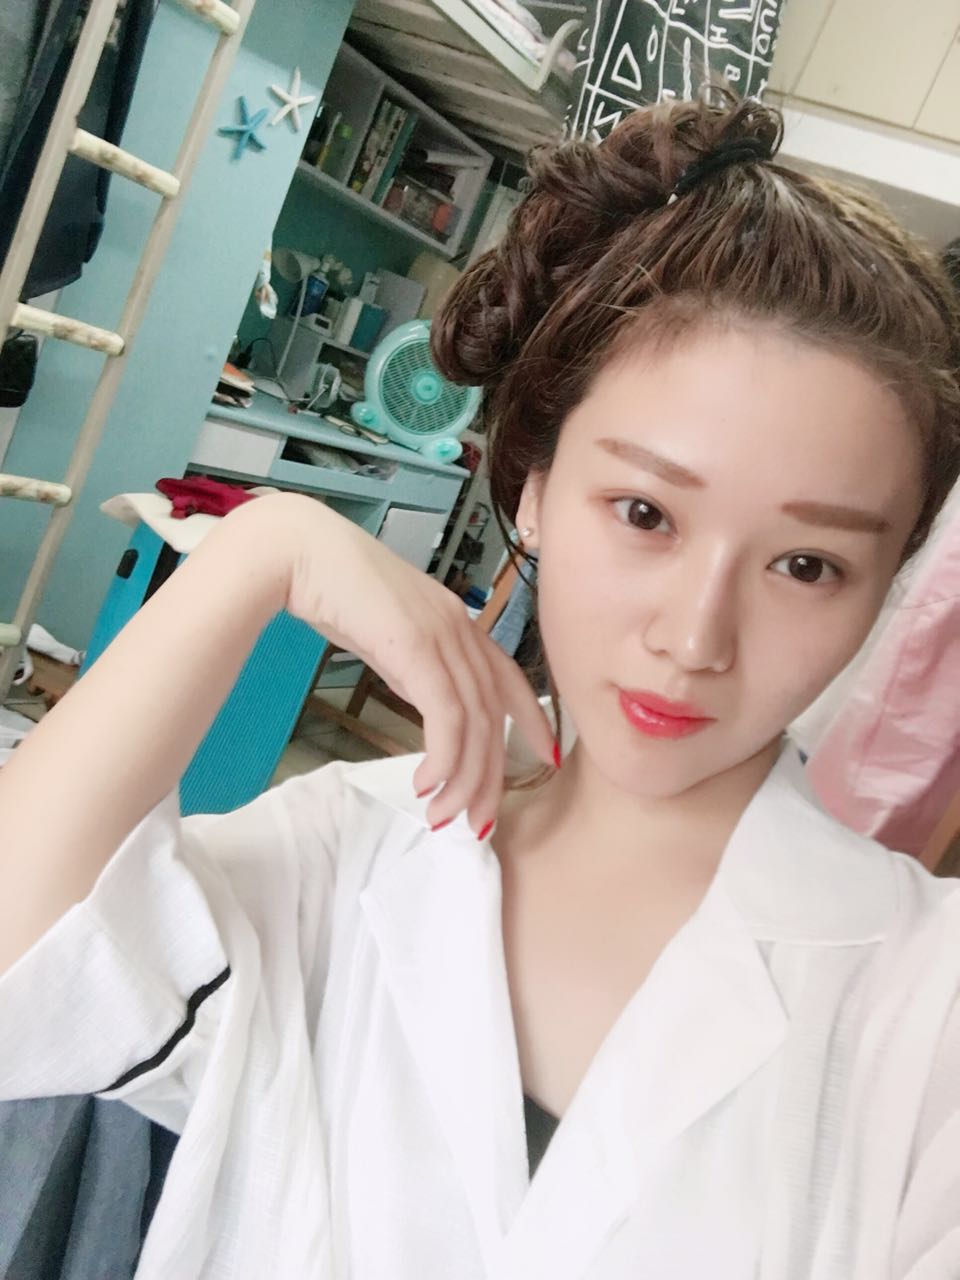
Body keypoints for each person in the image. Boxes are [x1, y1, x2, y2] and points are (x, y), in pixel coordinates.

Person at [1, 89, 959, 1279]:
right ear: (534, 487)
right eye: (645, 512)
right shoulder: (346, 848)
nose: (695, 637)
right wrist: (260, 549)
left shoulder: (927, 1004)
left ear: (887, 583)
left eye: (806, 564)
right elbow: (25, 970)